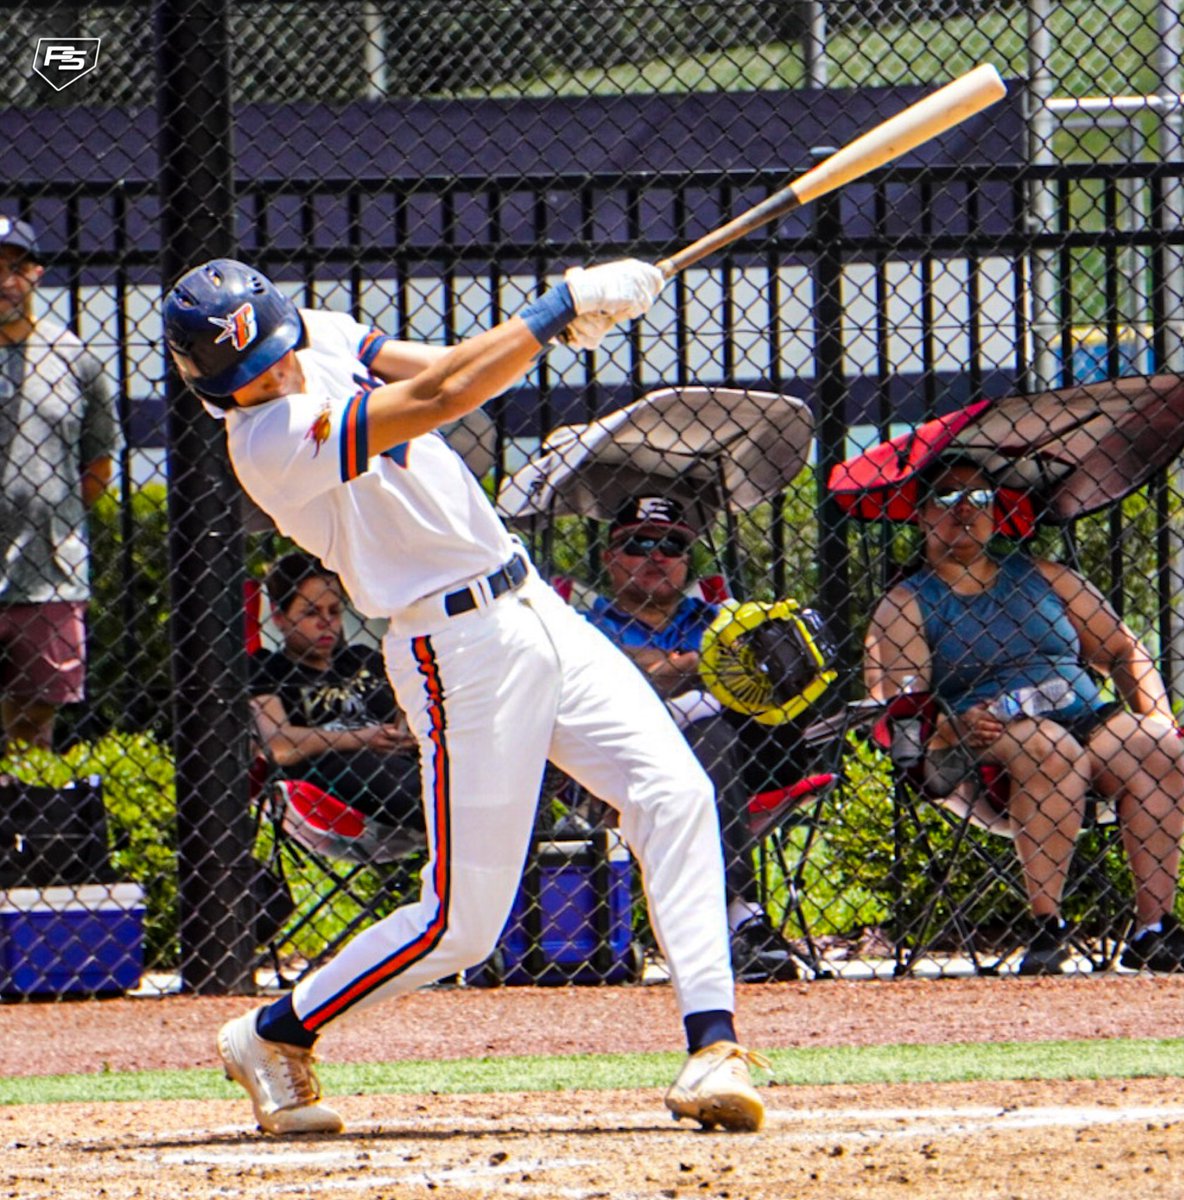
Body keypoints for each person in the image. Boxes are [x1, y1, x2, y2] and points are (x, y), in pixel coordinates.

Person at [163, 256, 766, 1136]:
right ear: (217, 390)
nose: (278, 375)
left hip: (527, 602)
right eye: (249, 378)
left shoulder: (319, 332)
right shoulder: (266, 442)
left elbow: (444, 364)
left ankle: (712, 1044)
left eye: (278, 355)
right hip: (454, 648)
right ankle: (274, 1033)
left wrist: (561, 331)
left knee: (673, 793)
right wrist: (555, 310)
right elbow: (443, 396)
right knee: (462, 925)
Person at [864, 455, 1184, 976]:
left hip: (1081, 712)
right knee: (1048, 745)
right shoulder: (907, 602)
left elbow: (1123, 648)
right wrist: (954, 726)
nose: (965, 510)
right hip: (982, 735)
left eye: (979, 498)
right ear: (922, 515)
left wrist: (1159, 720)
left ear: (997, 512)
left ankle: (1154, 928)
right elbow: (905, 713)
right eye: (948, 499)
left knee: (1154, 747)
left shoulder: (1042, 575)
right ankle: (1047, 926)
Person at [587, 494, 800, 983]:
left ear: (686, 561)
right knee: (706, 725)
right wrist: (710, 663)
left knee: (713, 731)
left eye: (671, 545)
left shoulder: (720, 616)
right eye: (638, 544)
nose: (656, 556)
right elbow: (631, 677)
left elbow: (775, 670)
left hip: (739, 760)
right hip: (622, 768)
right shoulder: (583, 625)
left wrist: (671, 669)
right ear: (610, 558)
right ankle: (739, 917)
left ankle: (734, 919)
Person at [0, 216, 115, 749]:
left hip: (48, 571)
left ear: (37, 273)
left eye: (16, 266)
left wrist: (57, 520)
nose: (5, 279)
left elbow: (98, 464)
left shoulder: (76, 360)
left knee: (35, 723)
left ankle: (19, 821)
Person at [251, 551, 424, 852]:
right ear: (279, 618)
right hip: (331, 780)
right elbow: (277, 744)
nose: (326, 622)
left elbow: (410, 704)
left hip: (404, 761)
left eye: (334, 611)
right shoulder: (267, 669)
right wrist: (362, 738)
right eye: (311, 613)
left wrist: (407, 727)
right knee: (408, 784)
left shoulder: (362, 658)